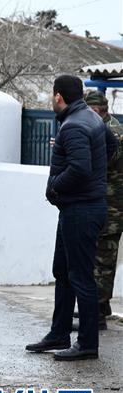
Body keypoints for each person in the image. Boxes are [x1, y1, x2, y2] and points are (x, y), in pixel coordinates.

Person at [27, 76, 115, 360]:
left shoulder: (75, 125)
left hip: (81, 209)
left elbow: (79, 168)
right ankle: (59, 333)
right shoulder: (91, 117)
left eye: (51, 95)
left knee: (80, 276)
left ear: (58, 96)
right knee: (63, 271)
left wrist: (54, 187)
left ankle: (87, 344)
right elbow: (111, 147)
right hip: (77, 208)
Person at [84, 90, 122, 330]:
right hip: (108, 205)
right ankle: (101, 305)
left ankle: (96, 313)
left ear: (96, 110)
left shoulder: (112, 132)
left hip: (113, 208)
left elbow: (100, 163)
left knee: (102, 260)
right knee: (101, 258)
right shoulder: (107, 127)